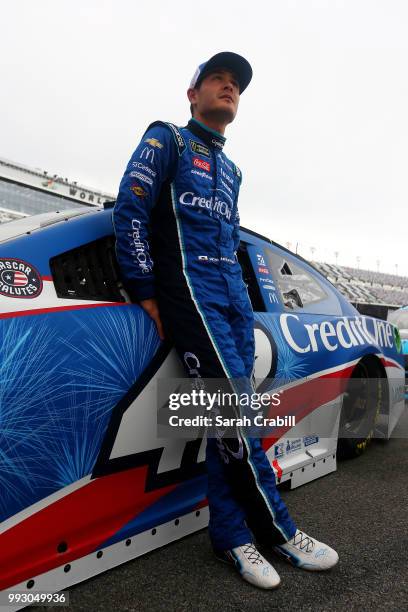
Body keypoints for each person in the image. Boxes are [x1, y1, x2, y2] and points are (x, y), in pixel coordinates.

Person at [112, 51, 339, 589]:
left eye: (236, 83)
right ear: (193, 93)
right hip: (191, 300)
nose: (229, 88)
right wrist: (145, 288)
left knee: (226, 426)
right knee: (237, 421)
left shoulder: (233, 171)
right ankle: (280, 530)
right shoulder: (165, 138)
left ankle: (232, 537)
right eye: (217, 79)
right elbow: (130, 210)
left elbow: (231, 242)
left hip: (235, 306)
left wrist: (244, 303)